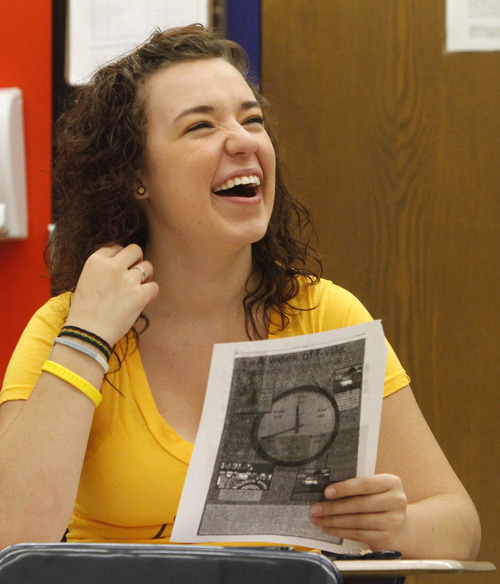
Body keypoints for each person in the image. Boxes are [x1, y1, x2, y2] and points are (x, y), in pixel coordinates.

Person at [0, 24, 480, 559]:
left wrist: (397, 526)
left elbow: (457, 523)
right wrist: (87, 338)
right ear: (137, 174)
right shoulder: (68, 323)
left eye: (252, 120)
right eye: (200, 126)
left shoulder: (323, 313)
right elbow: (9, 536)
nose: (244, 139)